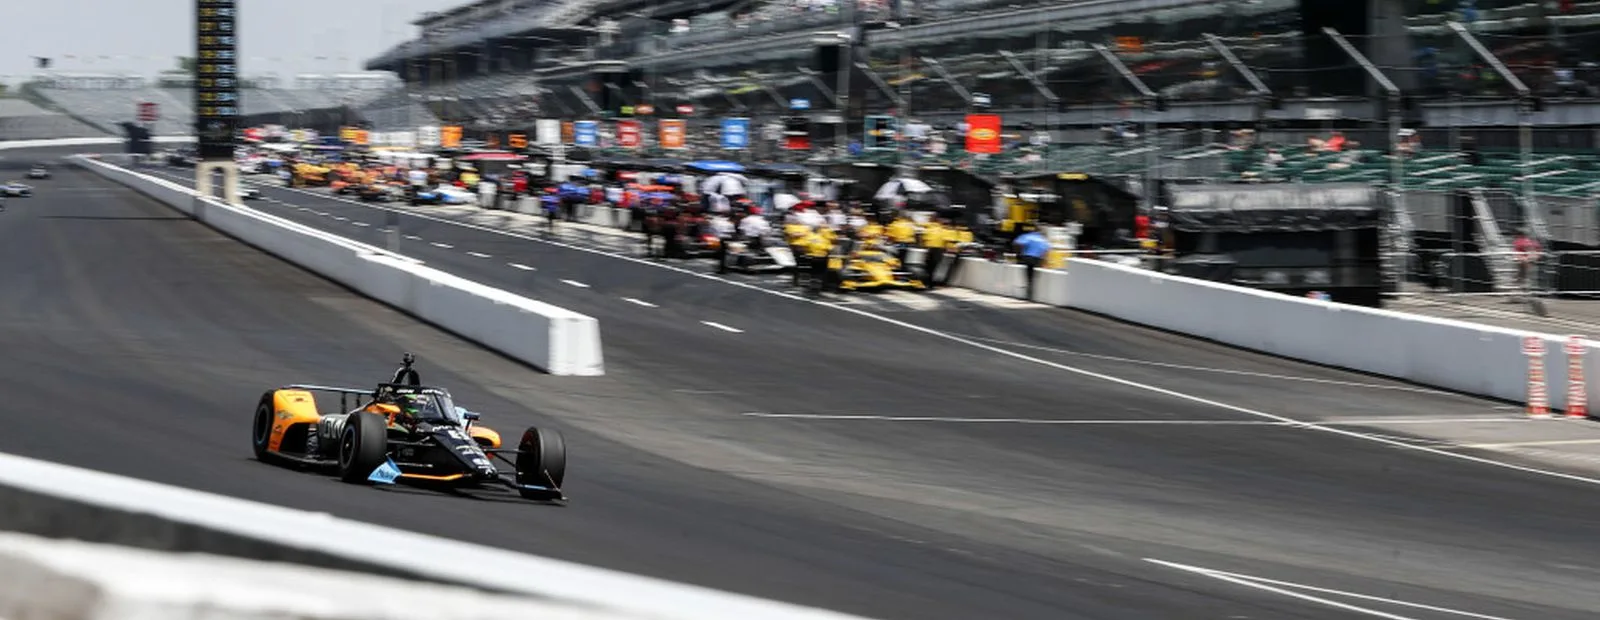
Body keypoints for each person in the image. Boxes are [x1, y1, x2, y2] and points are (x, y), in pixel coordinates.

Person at [1013, 226, 1052, 301]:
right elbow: (1046, 250)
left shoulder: (1028, 236)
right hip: (1038, 259)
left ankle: (1029, 295)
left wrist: (1019, 253)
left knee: (1029, 276)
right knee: (1034, 276)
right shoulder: (1043, 240)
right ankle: (1032, 294)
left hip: (1028, 257)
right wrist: (1045, 261)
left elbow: (1017, 243)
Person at [919, 217, 950, 288]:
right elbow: (946, 241)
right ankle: (930, 283)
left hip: (929, 249)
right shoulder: (944, 230)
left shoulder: (929, 229)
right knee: (934, 267)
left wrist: (925, 247)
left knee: (927, 266)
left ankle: (925, 281)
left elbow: (923, 239)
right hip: (939, 250)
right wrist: (946, 249)